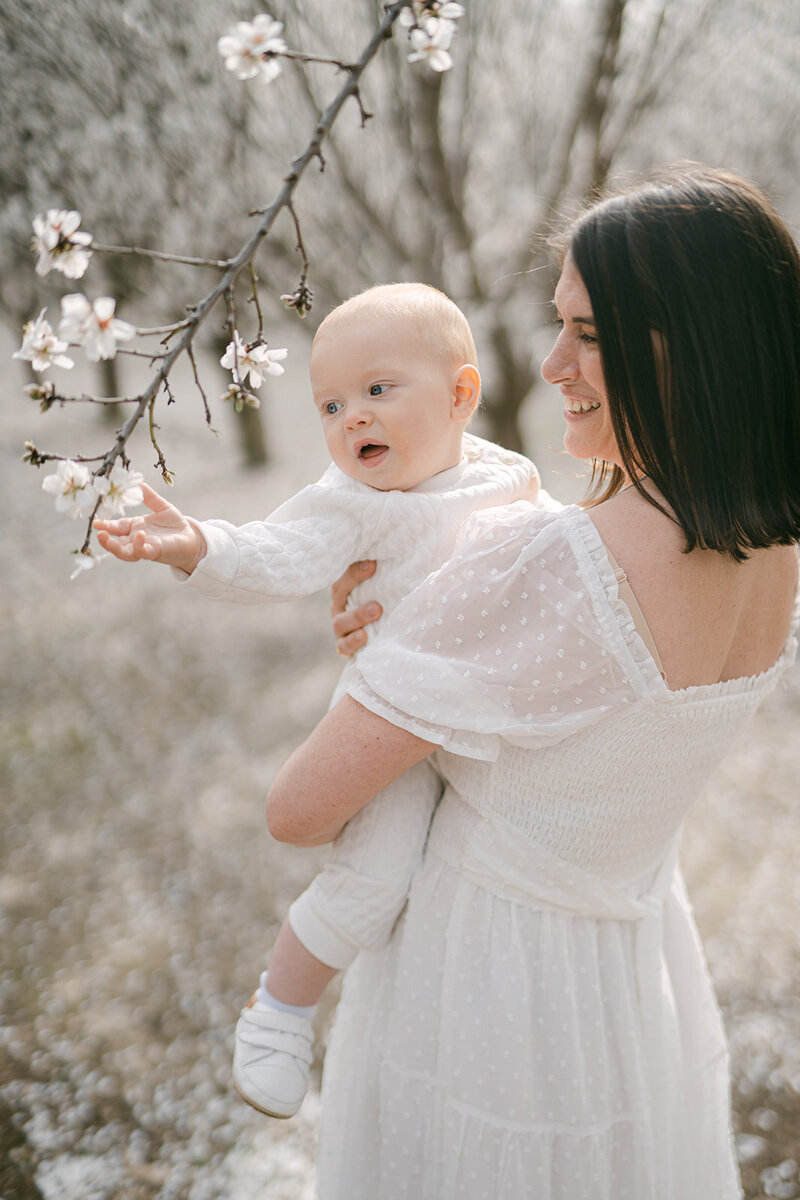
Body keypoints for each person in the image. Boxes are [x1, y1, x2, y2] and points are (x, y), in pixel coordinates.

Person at [263, 166, 800, 1199]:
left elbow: (299, 809)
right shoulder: (773, 552)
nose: (550, 362)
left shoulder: (552, 570)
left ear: (693, 341)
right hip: (626, 983)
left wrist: (384, 657)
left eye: (590, 334)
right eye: (558, 325)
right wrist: (418, 633)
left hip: (483, 993)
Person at [93, 282, 541, 1119]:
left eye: (378, 391)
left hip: (487, 717)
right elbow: (282, 550)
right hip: (394, 717)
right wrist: (194, 545)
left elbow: (555, 558)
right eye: (331, 404)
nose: (352, 419)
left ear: (462, 396)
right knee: (371, 876)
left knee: (477, 881)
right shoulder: (352, 503)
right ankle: (281, 1011)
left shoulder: (508, 475)